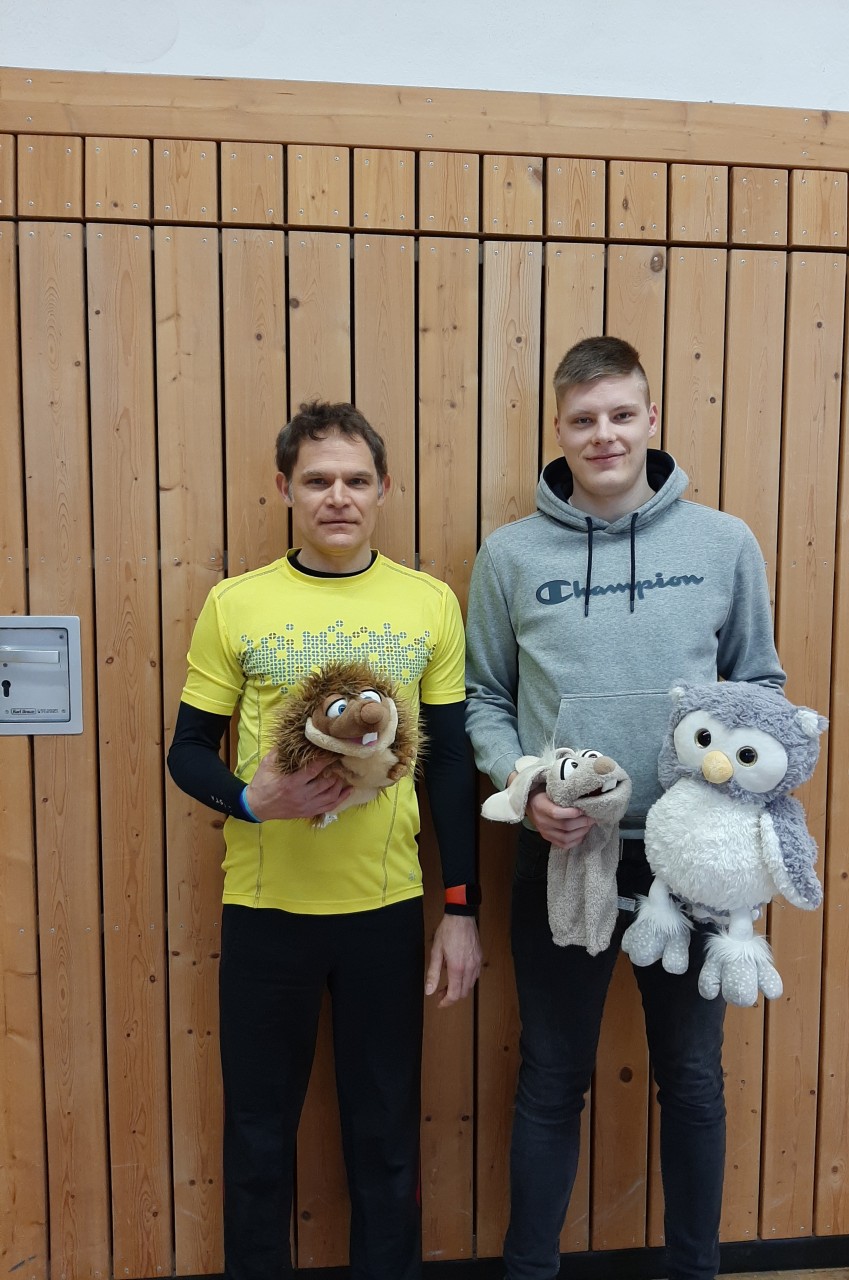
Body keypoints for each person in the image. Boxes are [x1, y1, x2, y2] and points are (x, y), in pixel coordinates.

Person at [464, 336, 785, 1280]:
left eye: (619, 415)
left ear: (652, 419)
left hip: (696, 862)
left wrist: (728, 804)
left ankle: (694, 1270)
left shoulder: (724, 543)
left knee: (691, 1079)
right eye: (582, 419)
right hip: (564, 851)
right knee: (552, 1077)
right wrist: (526, 790)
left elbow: (759, 689)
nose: (602, 434)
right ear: (558, 430)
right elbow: (483, 699)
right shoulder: (509, 555)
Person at [167, 400, 482, 1280]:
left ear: (384, 489)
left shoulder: (429, 603)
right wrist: (249, 800)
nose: (337, 496)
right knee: (258, 1142)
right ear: (285, 489)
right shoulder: (236, 604)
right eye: (316, 480)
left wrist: (460, 908)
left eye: (355, 479)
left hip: (385, 912)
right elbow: (186, 751)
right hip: (266, 912)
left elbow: (450, 764)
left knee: (386, 1144)